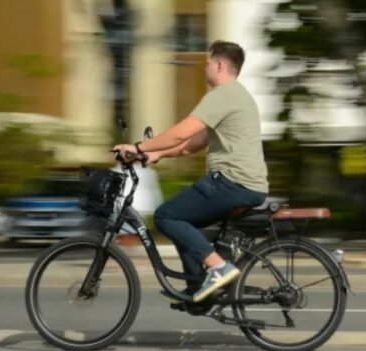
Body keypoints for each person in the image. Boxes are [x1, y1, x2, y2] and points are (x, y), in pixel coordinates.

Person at [113, 40, 269, 303]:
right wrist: (157, 153)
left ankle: (219, 268)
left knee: (166, 216)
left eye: (208, 63)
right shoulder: (238, 96)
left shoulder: (222, 95)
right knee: (184, 222)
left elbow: (180, 133)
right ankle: (198, 289)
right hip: (244, 185)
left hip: (231, 183)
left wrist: (137, 147)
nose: (204, 68)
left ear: (219, 65)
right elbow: (193, 142)